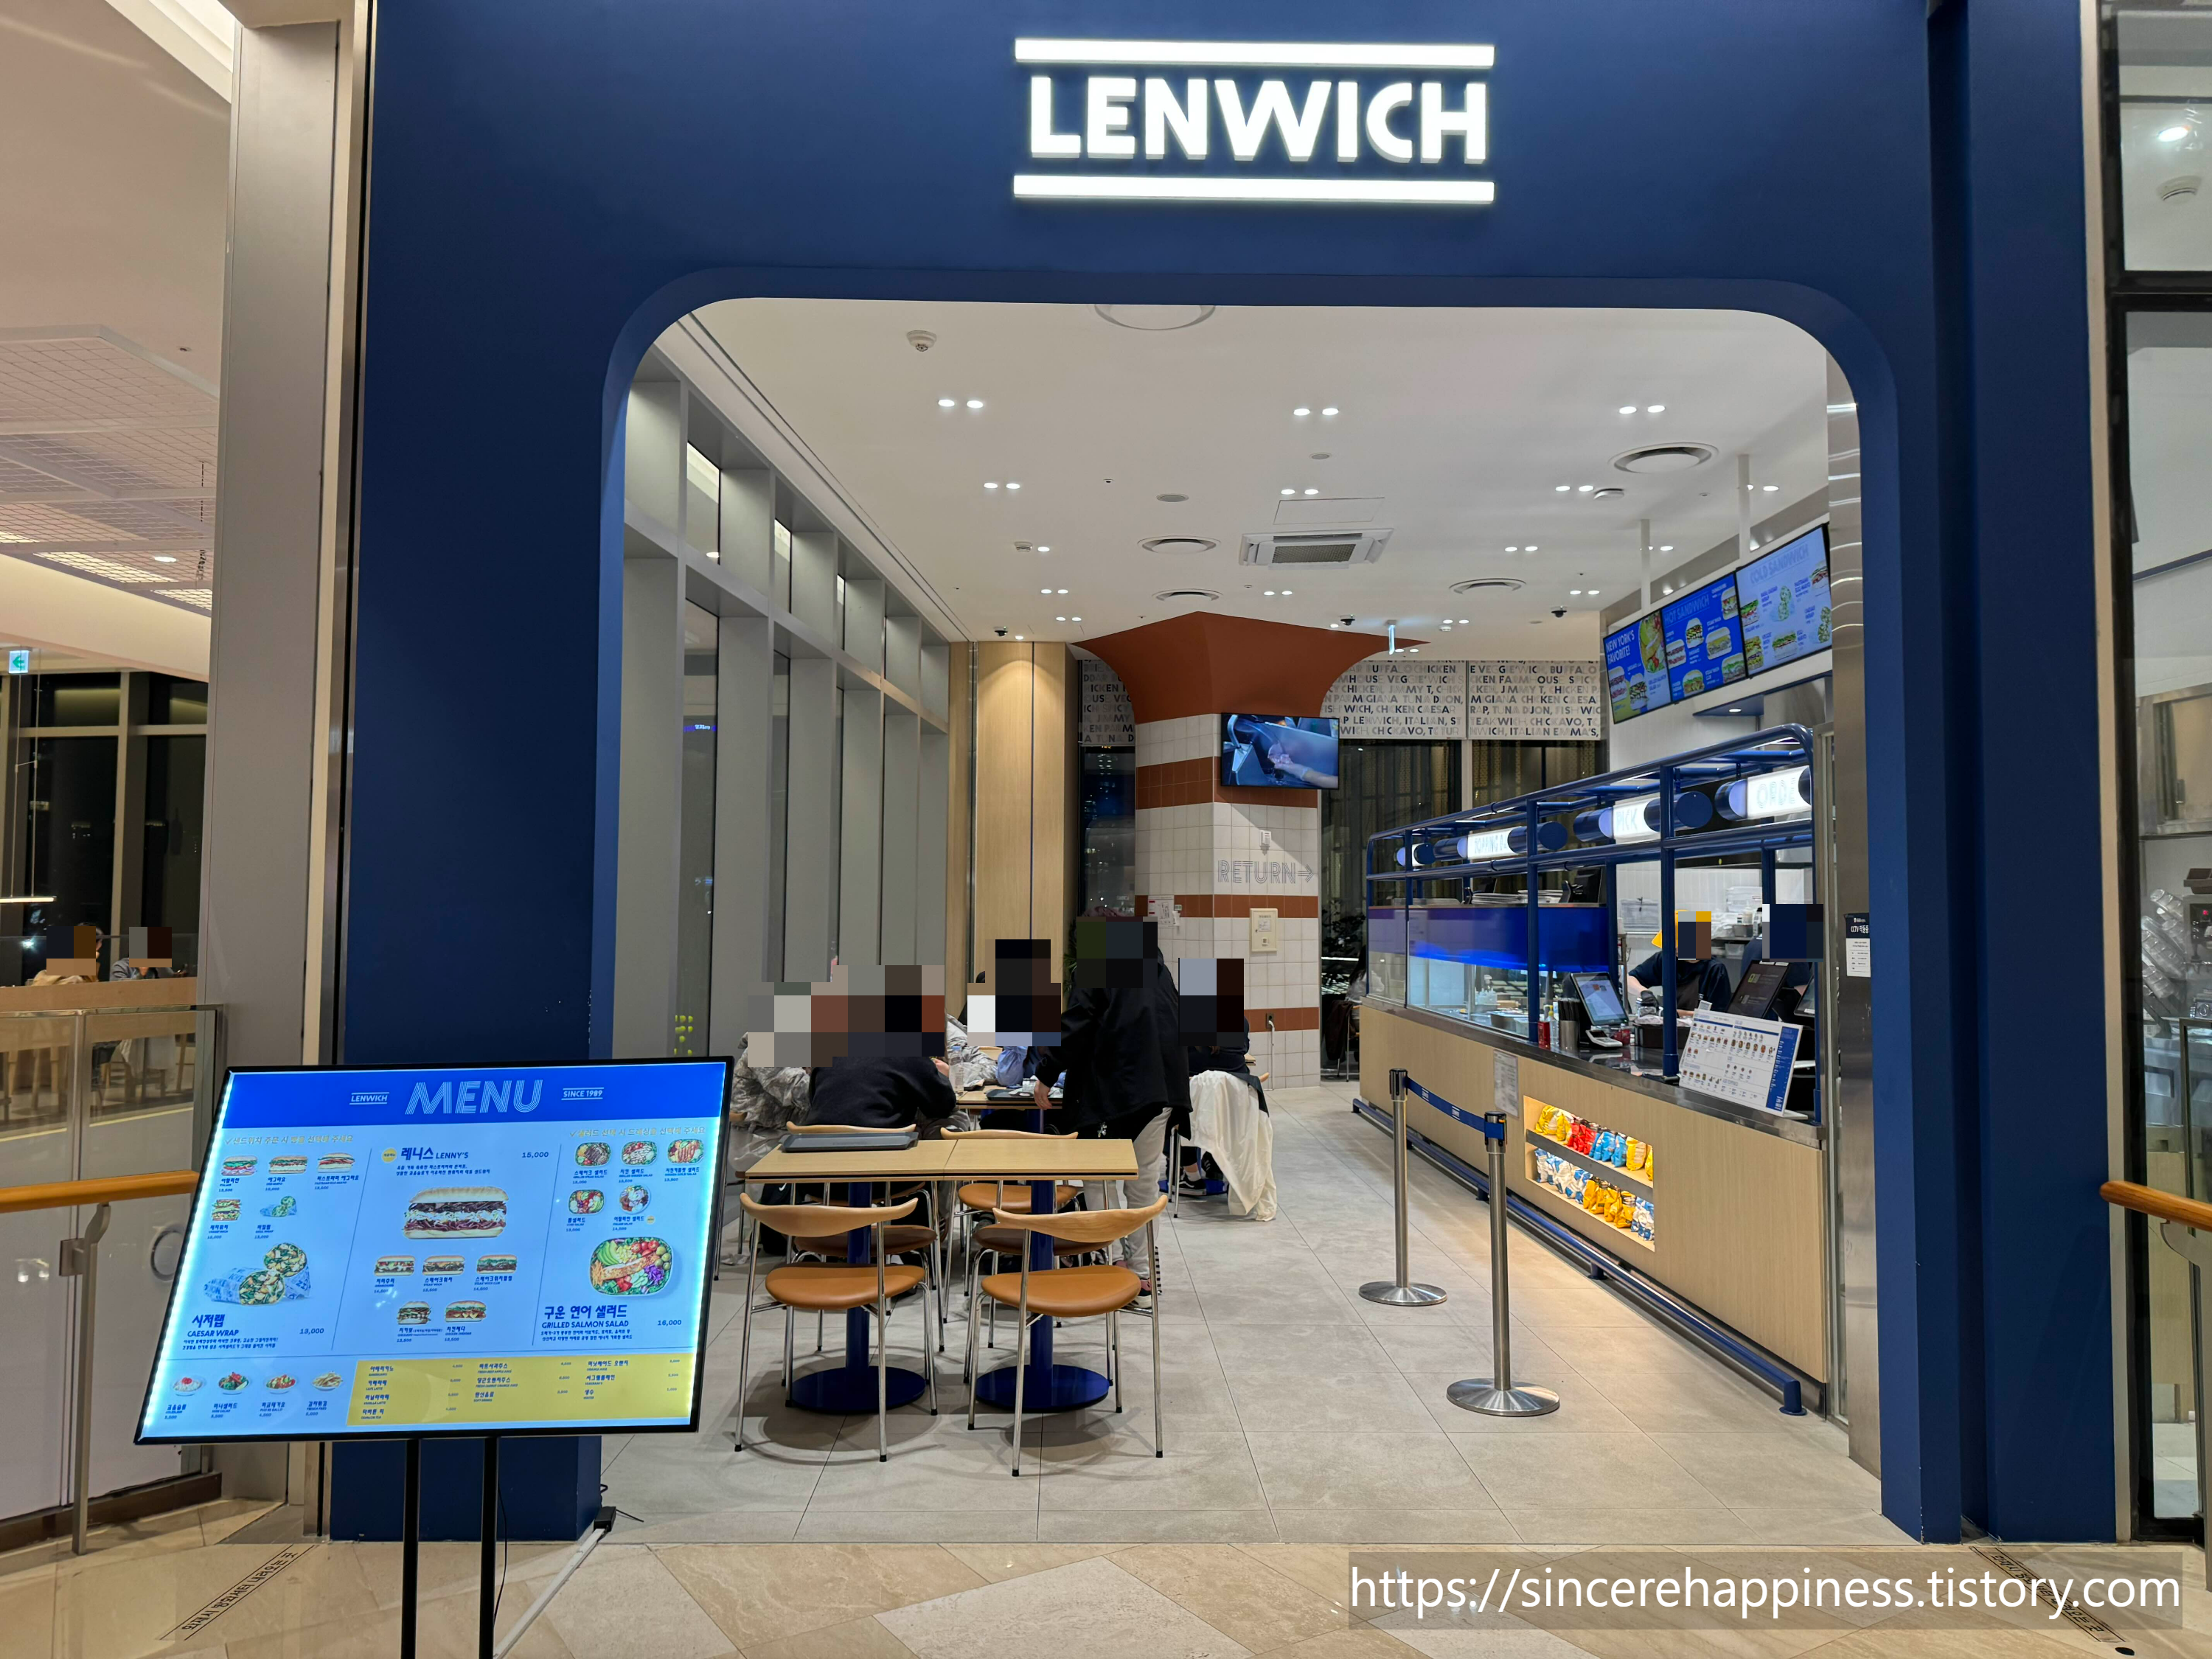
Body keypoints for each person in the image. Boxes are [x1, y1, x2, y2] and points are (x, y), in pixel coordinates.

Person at [1034, 929, 1186, 1303]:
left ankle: (1112, 1266)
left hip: (1119, 1091)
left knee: (1099, 1179)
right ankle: (1142, 1274)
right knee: (1144, 1182)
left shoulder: (1098, 966)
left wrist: (1047, 1072)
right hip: (1163, 1090)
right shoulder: (1158, 970)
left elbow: (1078, 1022)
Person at [801, 1053, 957, 1132]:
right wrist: (942, 1076)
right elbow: (943, 1105)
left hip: (815, 1169)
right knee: (953, 1121)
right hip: (886, 1168)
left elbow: (813, 1100)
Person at [1624, 942, 1733, 1010]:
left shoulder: (1715, 970)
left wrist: (1676, 1014)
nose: (1675, 949)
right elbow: (1628, 980)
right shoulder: (1667, 959)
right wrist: (1645, 993)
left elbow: (1717, 1016)